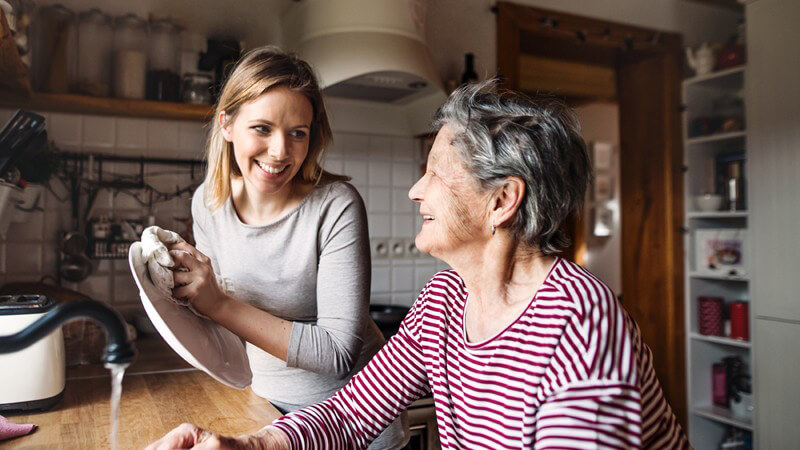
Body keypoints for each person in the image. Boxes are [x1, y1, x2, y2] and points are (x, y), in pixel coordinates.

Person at [148, 80, 689, 449]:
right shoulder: (444, 301)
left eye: (433, 173)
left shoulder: (580, 322)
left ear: (501, 201)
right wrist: (252, 444)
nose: (414, 190)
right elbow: (352, 410)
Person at [162, 46, 407, 449]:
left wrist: (218, 303)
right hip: (266, 409)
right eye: (262, 128)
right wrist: (182, 293)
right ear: (226, 124)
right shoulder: (209, 203)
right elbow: (220, 327)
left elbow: (337, 354)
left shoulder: (336, 205)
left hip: (353, 424)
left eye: (298, 133)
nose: (280, 152)